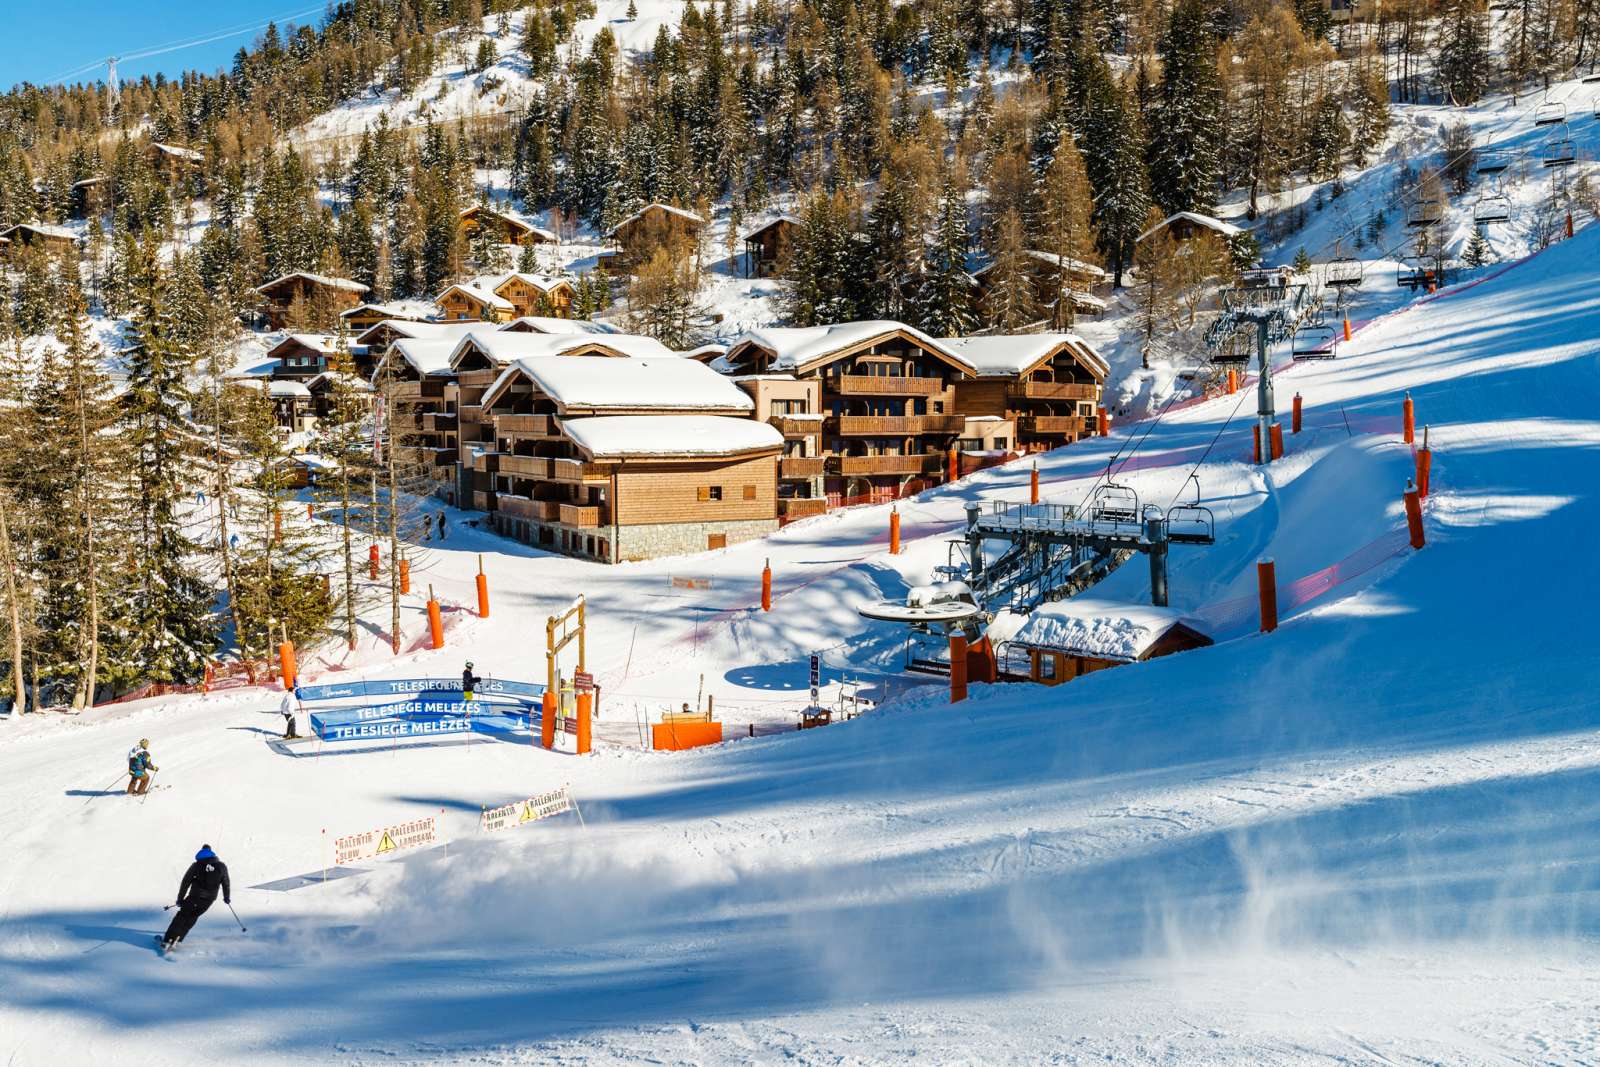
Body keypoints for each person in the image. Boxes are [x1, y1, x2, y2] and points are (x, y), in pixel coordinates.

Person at [161, 844, 231, 952]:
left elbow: (186, 882)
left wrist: (180, 898)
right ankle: (178, 940)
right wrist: (226, 897)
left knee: (182, 916)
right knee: (192, 917)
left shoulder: (196, 865)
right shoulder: (221, 866)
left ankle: (168, 941)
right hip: (209, 901)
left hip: (194, 897)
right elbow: (226, 883)